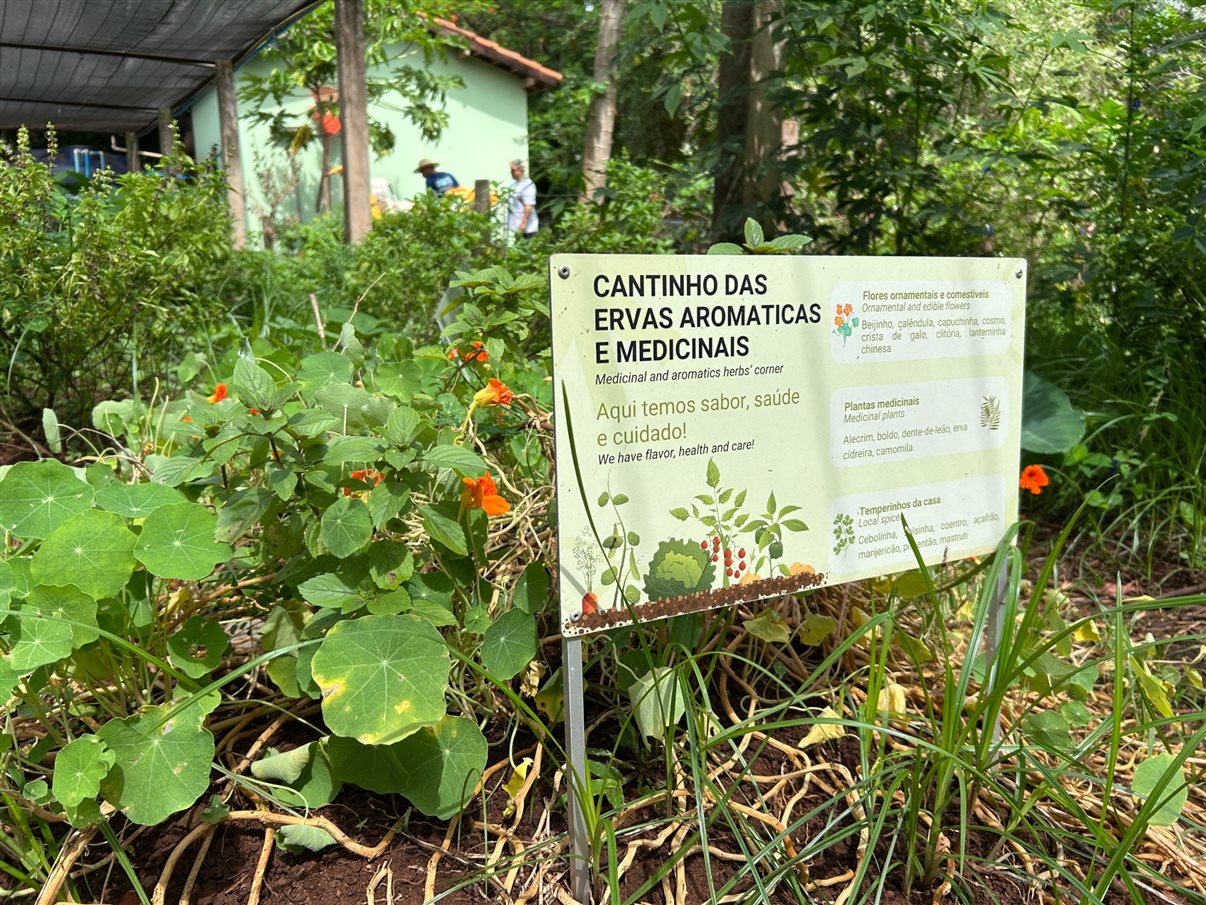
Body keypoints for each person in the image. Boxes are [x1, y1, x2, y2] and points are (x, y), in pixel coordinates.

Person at [507, 159, 538, 239]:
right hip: (516, 225)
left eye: (513, 170)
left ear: (519, 170)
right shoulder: (513, 183)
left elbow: (528, 205)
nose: (511, 172)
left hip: (527, 228)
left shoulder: (527, 185)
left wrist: (523, 223)